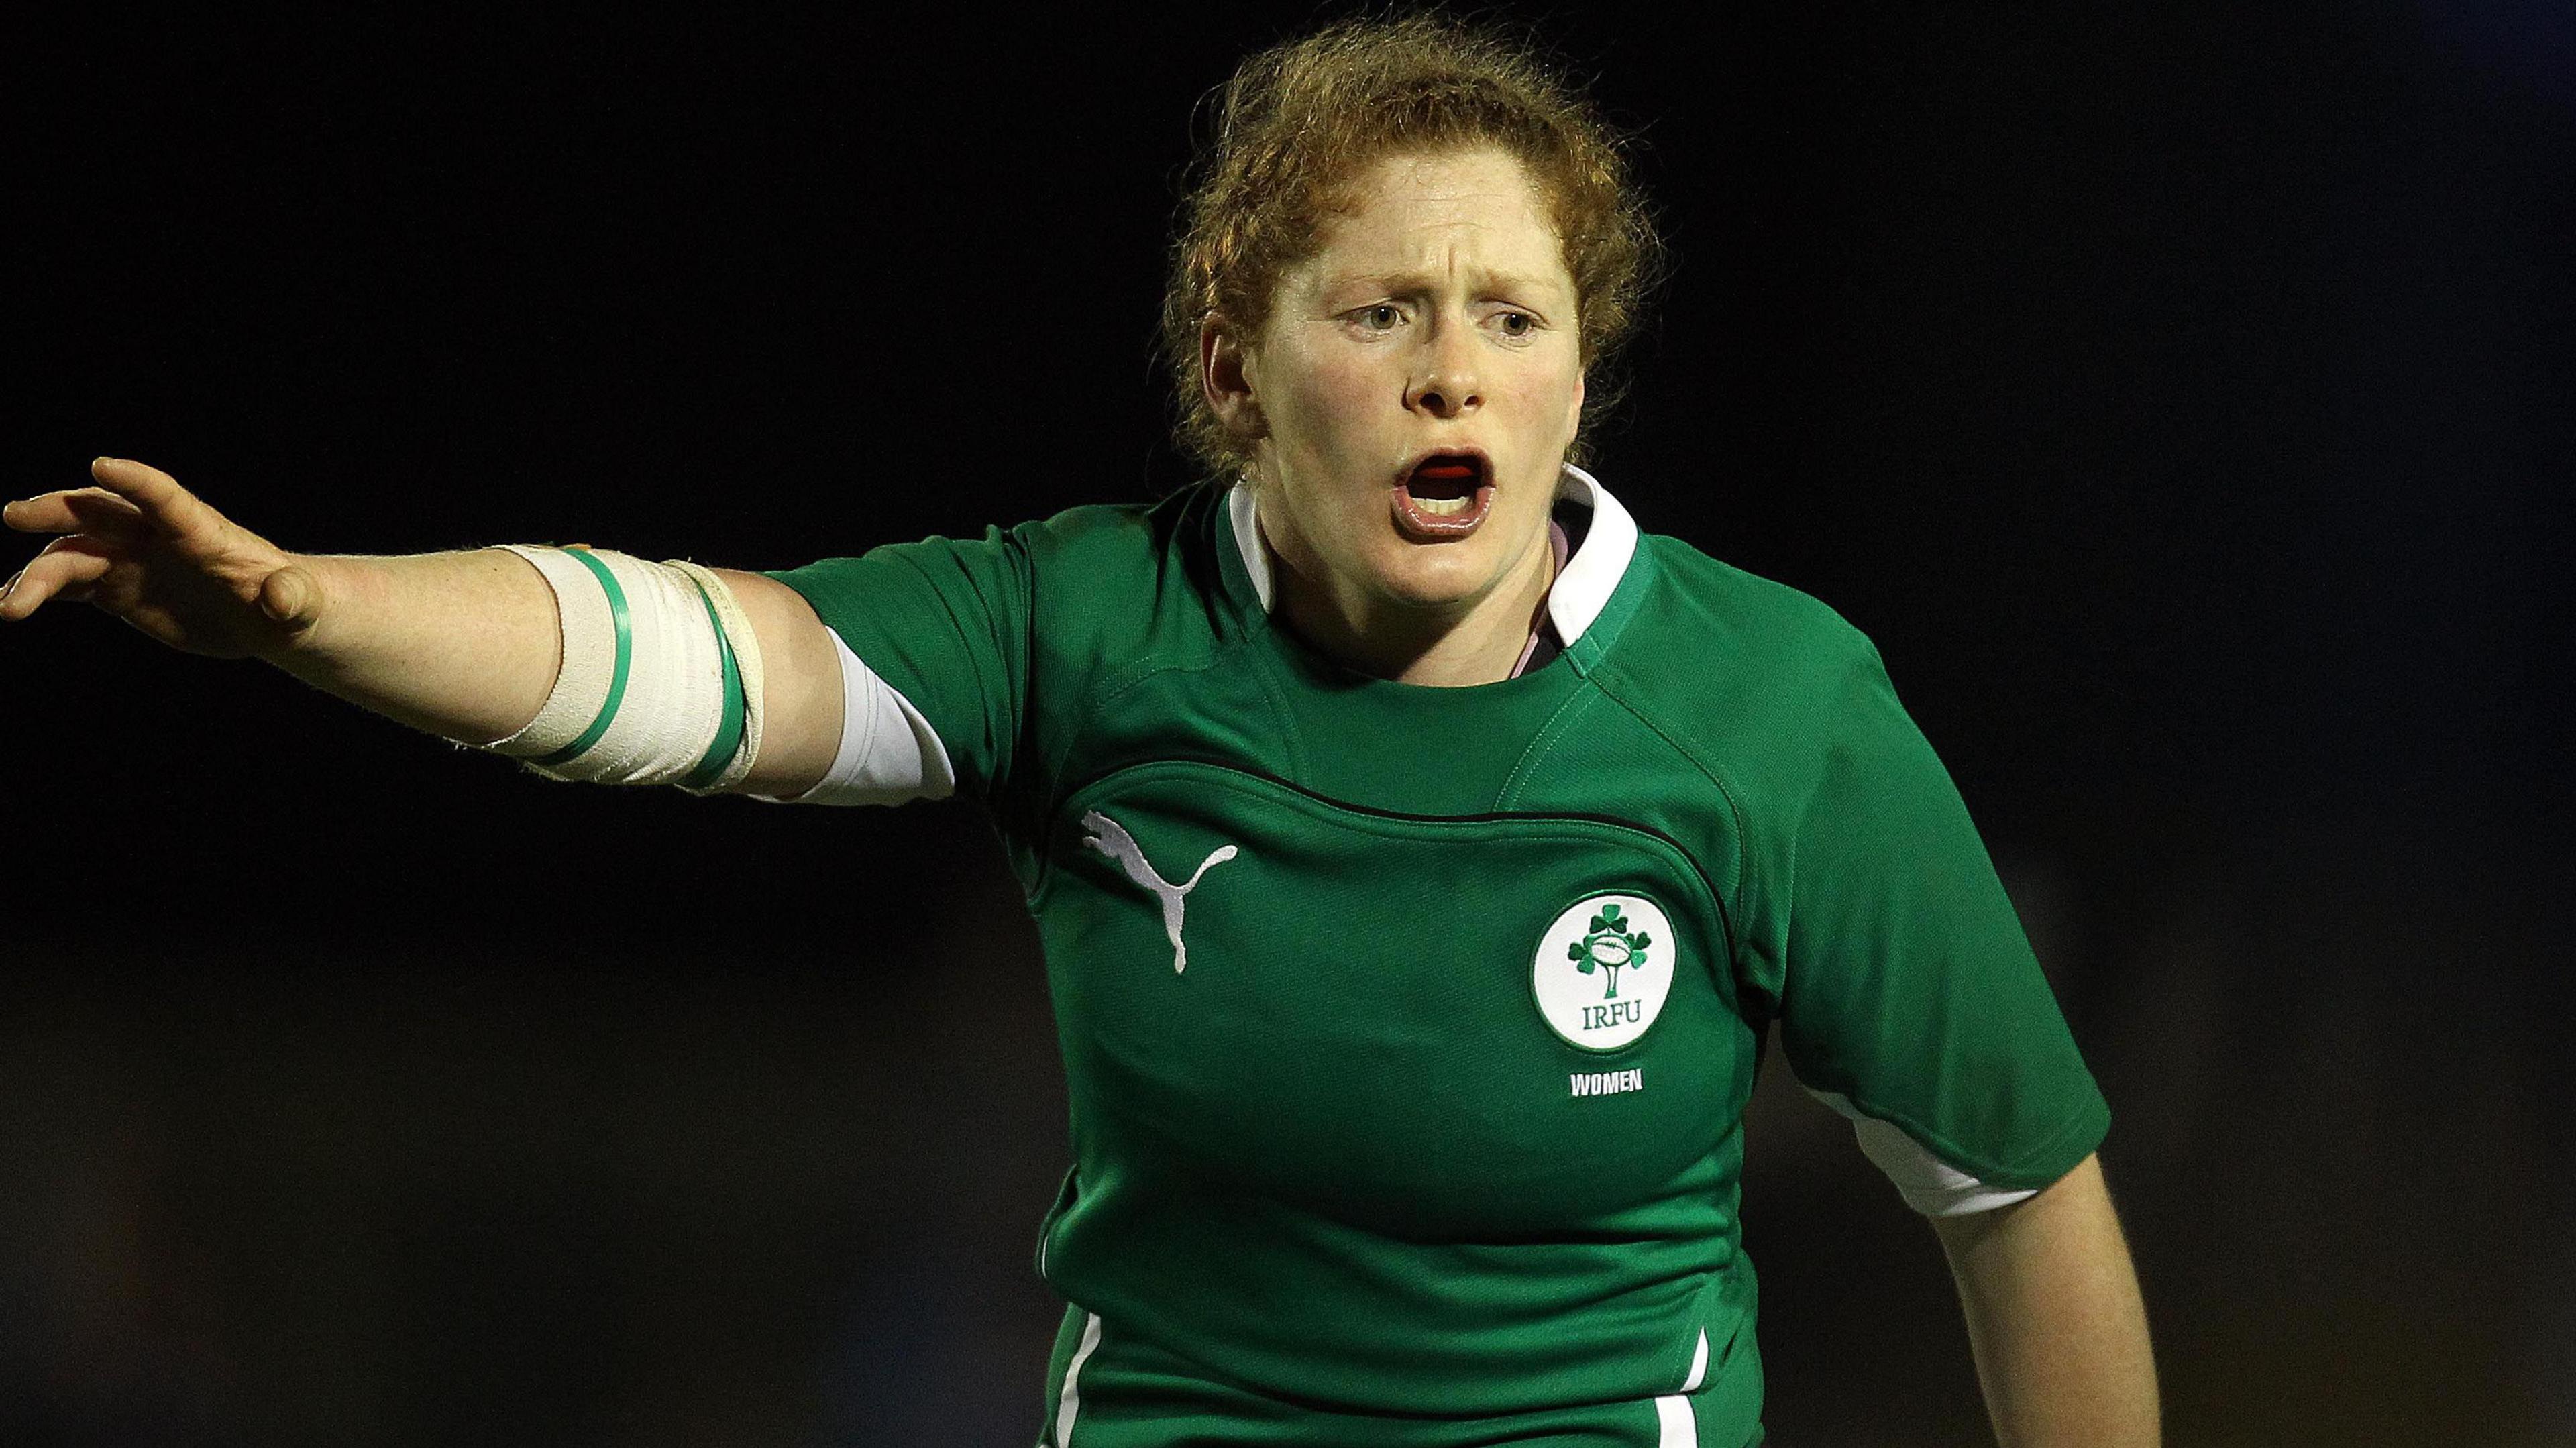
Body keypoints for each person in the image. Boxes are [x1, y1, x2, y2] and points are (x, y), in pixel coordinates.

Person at [2, 15, 2157, 1447]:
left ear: (1582, 379)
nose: (1453, 374)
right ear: (1235, 368)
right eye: (1380, 312)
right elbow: (679, 665)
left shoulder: (1774, 710)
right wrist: (308, 610)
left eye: (1515, 318)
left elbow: (2019, 1200)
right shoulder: (1082, 632)